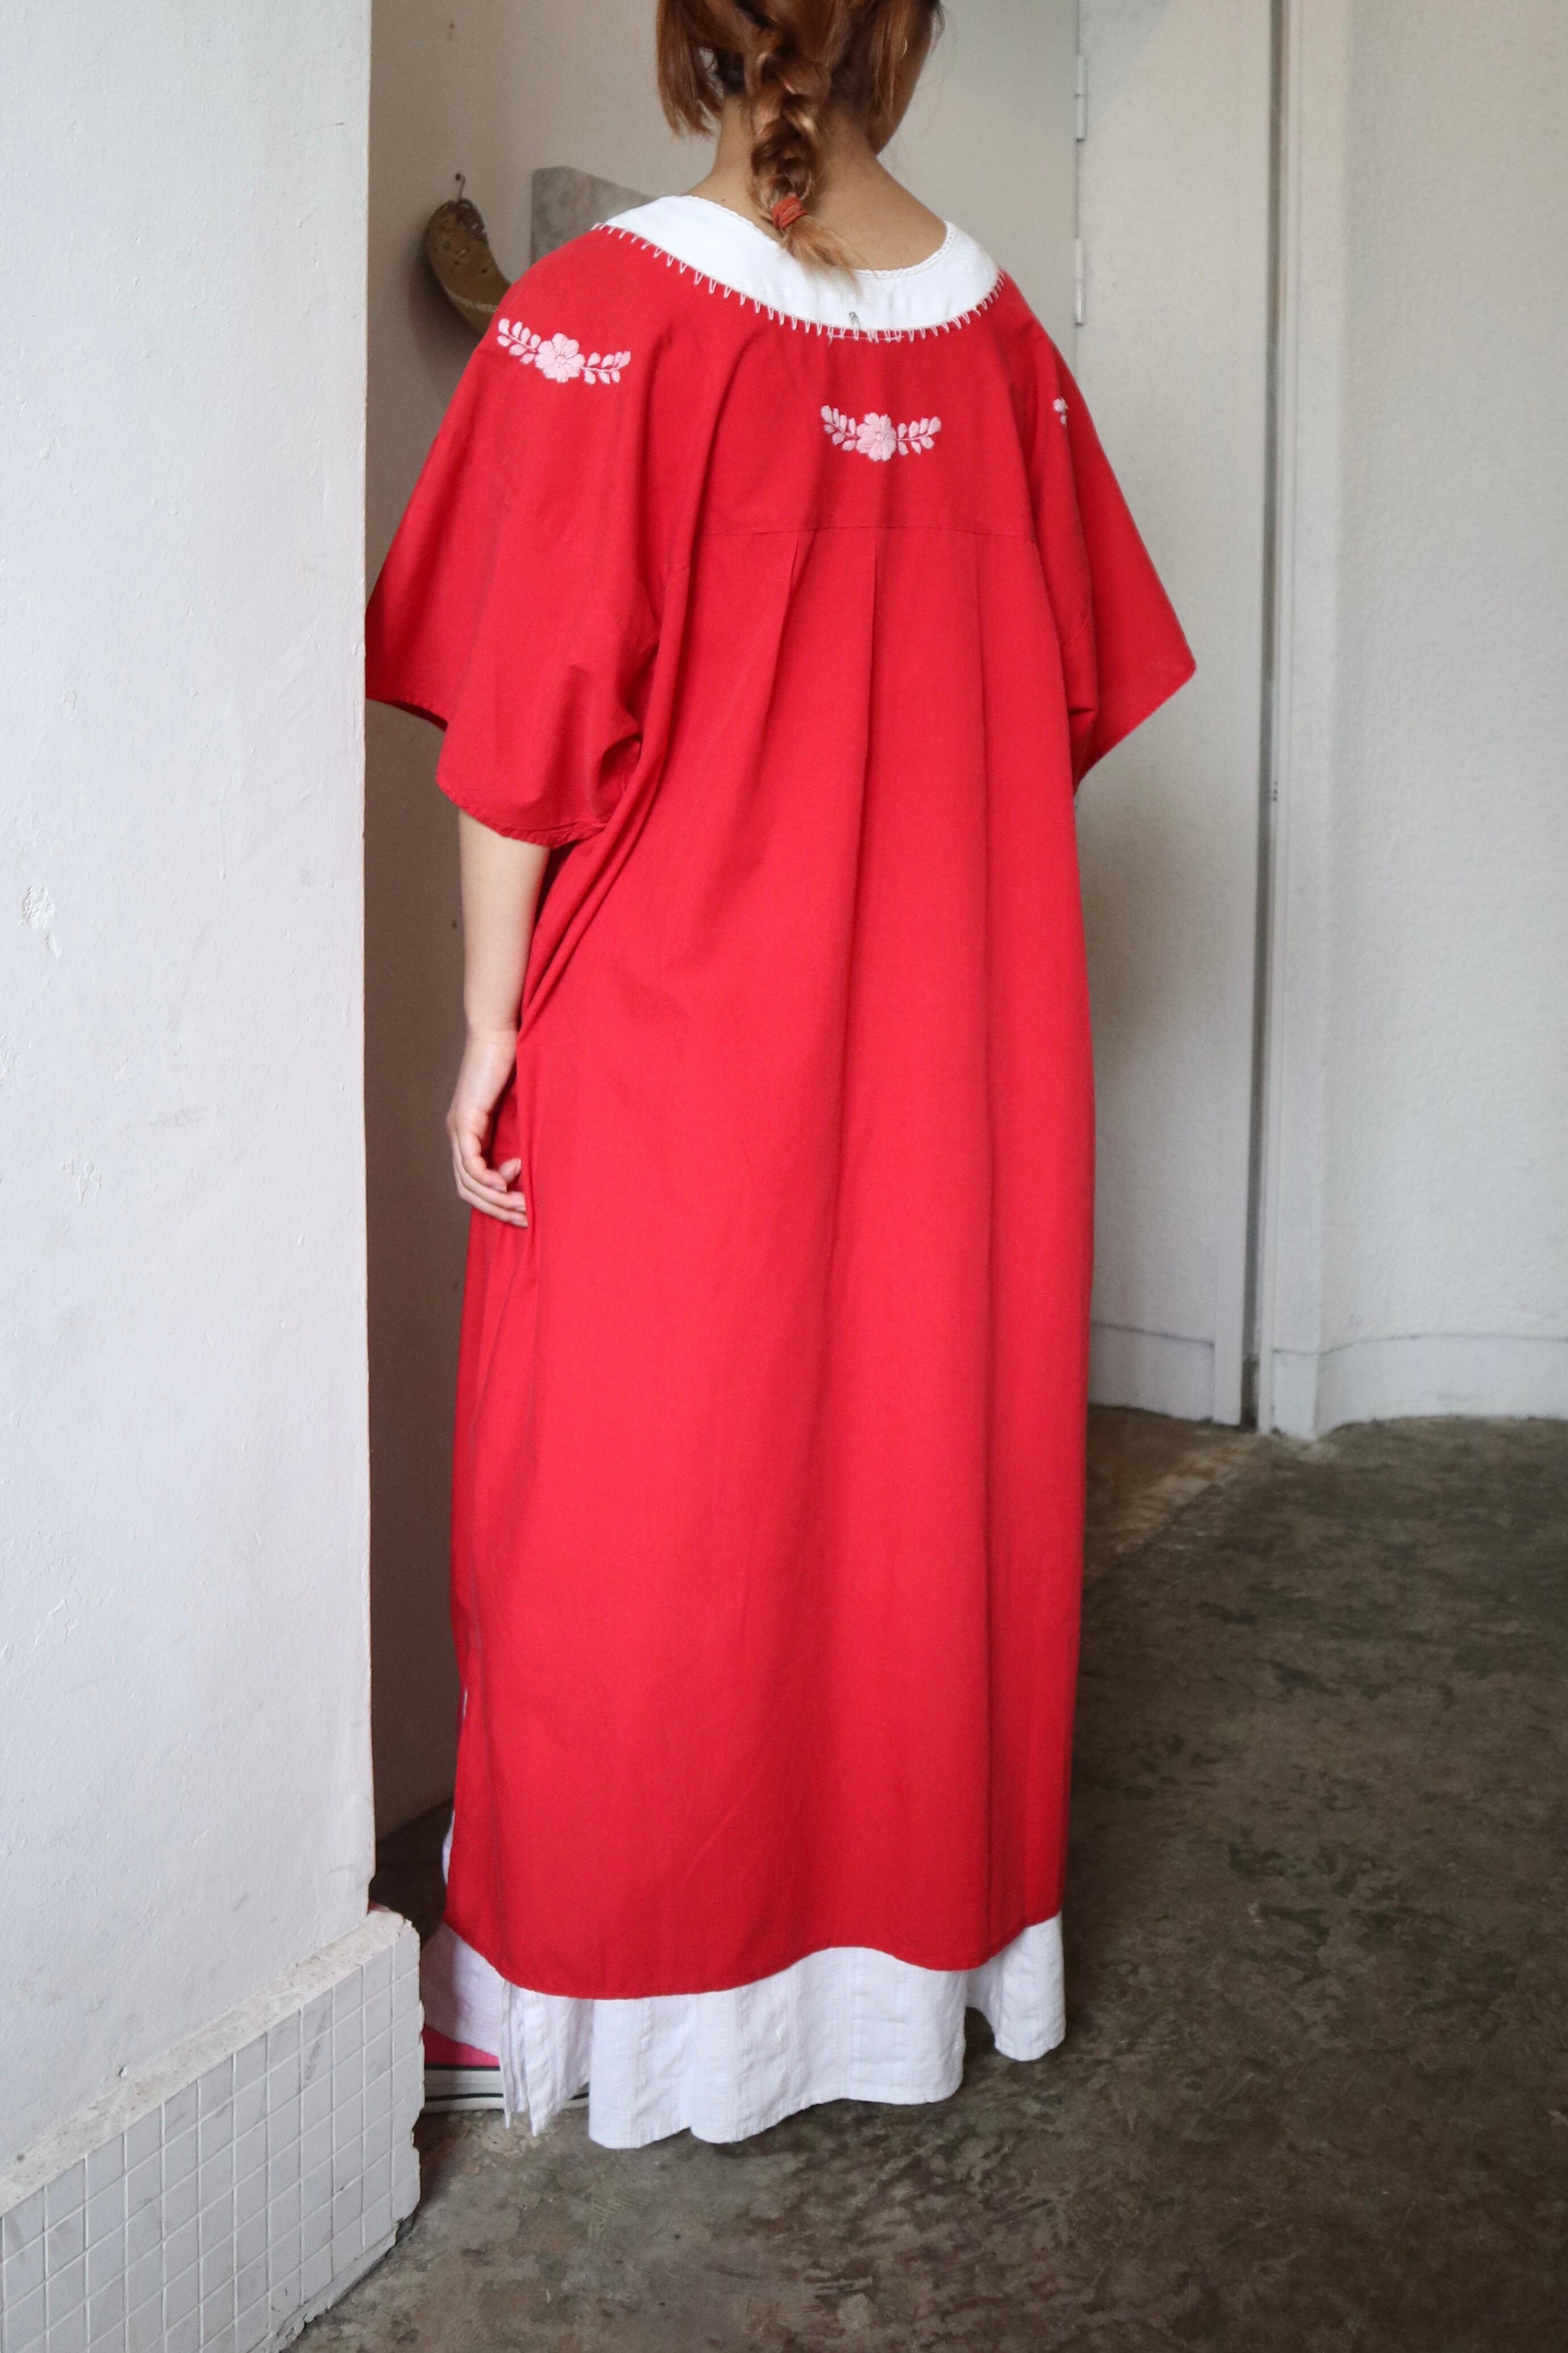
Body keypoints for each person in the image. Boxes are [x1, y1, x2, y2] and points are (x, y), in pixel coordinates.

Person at [366, 0, 1193, 2151]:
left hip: (665, 1045)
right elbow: (1051, 715)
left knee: (626, 1506)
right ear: (902, 34)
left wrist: (488, 1029)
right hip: (950, 1068)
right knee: (910, 1479)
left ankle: (583, 1998)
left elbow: (520, 751)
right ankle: (909, 1984)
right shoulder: (1008, 355)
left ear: (699, 39)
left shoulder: (596, 318)